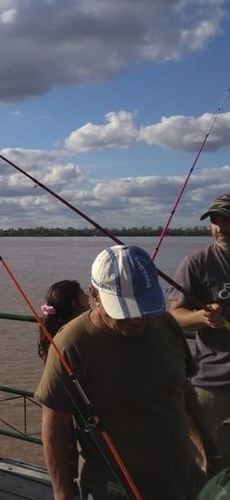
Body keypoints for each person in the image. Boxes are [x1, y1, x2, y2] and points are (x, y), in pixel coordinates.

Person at [35, 245, 217, 500]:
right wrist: (63, 493)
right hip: (114, 488)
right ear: (94, 294)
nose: (136, 318)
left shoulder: (166, 324)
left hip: (183, 481)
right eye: (124, 309)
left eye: (143, 306)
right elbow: (53, 427)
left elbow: (183, 391)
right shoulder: (71, 343)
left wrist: (210, 449)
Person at [170, 193, 230, 466]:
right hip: (212, 384)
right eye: (216, 221)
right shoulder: (197, 262)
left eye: (227, 220)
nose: (221, 228)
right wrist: (202, 317)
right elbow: (176, 317)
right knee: (206, 466)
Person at [36, 279, 90, 497]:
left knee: (66, 458)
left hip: (60, 406)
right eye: (83, 295)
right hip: (74, 413)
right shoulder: (76, 334)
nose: (88, 297)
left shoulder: (54, 331)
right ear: (76, 303)